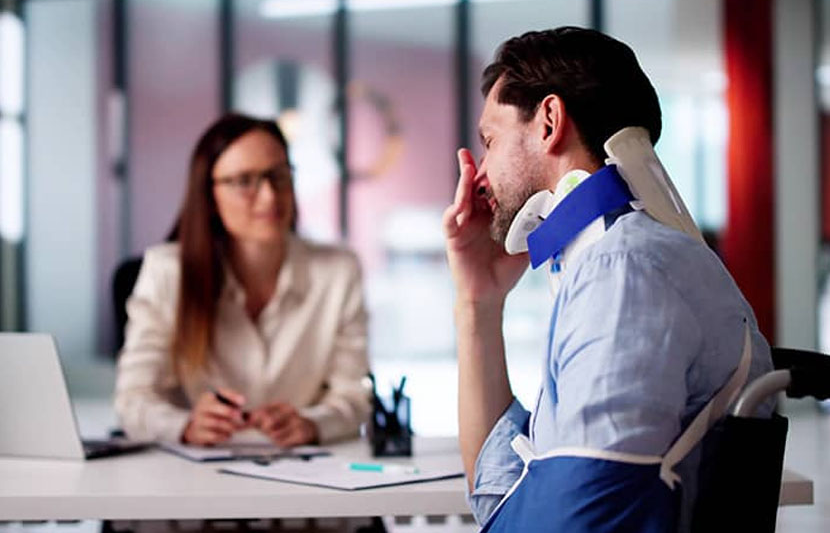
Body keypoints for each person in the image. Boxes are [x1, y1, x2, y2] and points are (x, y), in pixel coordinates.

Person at [442, 27, 774, 531]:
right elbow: (501, 496)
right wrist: (477, 301)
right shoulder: (615, 259)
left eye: (490, 141)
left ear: (549, 122)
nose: (480, 173)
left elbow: (586, 515)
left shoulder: (622, 270)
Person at [115, 113, 370, 447]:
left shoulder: (338, 271)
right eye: (244, 181)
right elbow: (132, 400)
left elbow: (354, 397)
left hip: (301, 465)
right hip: (196, 467)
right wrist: (186, 426)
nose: (269, 196)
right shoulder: (167, 271)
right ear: (209, 196)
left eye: (279, 176)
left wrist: (312, 424)